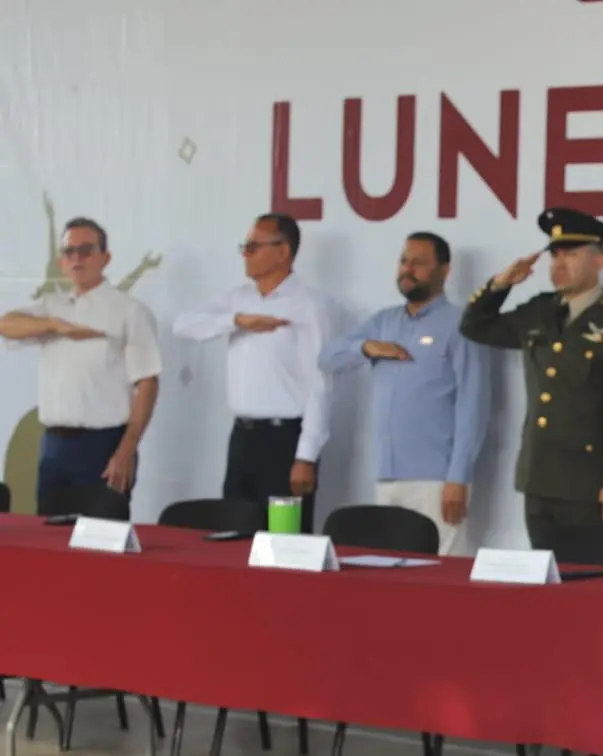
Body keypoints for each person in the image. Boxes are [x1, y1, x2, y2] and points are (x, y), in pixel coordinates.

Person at [460, 208, 603, 551]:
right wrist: (500, 286)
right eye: (555, 255)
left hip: (589, 481)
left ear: (599, 261)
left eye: (572, 254)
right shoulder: (539, 311)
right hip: (538, 475)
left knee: (587, 584)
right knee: (544, 584)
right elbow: (475, 327)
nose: (559, 263)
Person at [172, 213, 347, 533]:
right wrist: (237, 321)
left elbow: (321, 384)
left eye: (254, 247)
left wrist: (306, 456)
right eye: (245, 246)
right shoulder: (238, 299)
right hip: (242, 439)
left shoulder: (311, 305)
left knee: (284, 544)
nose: (246, 254)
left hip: (285, 442)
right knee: (236, 537)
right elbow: (183, 325)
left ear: (283, 251)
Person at [318, 232, 491, 555]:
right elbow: (328, 357)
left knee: (443, 582)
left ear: (444, 270)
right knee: (394, 578)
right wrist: (366, 347)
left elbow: (474, 405)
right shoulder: (384, 322)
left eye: (419, 263)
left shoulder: (461, 325)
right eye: (403, 261)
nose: (407, 270)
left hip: (437, 481)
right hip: (387, 477)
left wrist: (458, 477)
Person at [0, 216, 160, 511]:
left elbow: (147, 382)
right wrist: (56, 326)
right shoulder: (51, 306)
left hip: (103, 444)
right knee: (51, 540)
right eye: (69, 252)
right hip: (53, 444)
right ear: (61, 261)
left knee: (100, 542)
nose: (76, 259)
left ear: (105, 257)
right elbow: (5, 324)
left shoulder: (128, 310)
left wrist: (127, 450)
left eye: (86, 250)